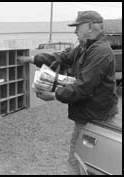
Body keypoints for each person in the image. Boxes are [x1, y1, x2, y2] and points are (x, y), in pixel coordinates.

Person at [18, 11, 118, 175]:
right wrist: (33, 59)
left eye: (77, 27)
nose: (75, 32)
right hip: (87, 117)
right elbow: (62, 58)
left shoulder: (100, 51)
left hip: (96, 119)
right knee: (81, 162)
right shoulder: (85, 48)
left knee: (84, 164)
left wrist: (55, 94)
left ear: (90, 27)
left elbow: (83, 86)